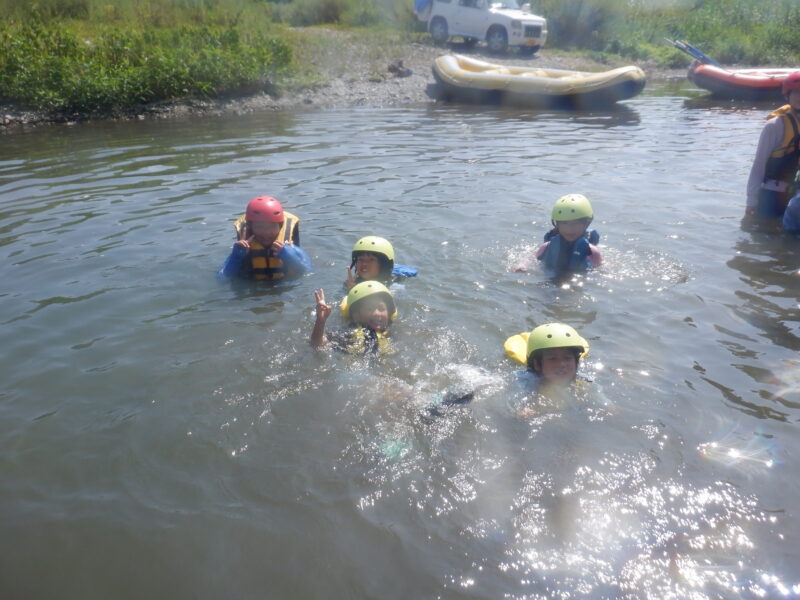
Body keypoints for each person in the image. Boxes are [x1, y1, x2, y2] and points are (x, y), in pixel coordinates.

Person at [217, 196, 311, 281]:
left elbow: (308, 271)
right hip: (253, 291)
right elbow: (222, 279)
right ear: (251, 228)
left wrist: (289, 255)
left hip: (284, 288)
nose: (266, 233)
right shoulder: (241, 248)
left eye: (271, 227)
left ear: (280, 226)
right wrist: (237, 256)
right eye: (260, 227)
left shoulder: (289, 246)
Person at [746, 72, 800, 219]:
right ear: (787, 95)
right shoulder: (774, 126)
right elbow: (758, 166)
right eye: (796, 92)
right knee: (765, 233)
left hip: (792, 190)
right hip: (771, 193)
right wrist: (751, 202)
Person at [514, 194, 602, 275]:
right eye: (564, 223)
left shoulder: (592, 252)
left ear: (586, 224)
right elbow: (531, 259)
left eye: (576, 223)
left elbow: (601, 270)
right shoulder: (546, 246)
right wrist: (522, 265)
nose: (569, 229)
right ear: (557, 225)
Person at [504, 322, 590, 400]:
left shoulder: (582, 379)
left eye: (567, 358)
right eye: (553, 359)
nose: (562, 364)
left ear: (576, 362)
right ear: (537, 364)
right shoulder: (527, 380)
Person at [311, 281, 396, 355]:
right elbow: (318, 345)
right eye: (370, 309)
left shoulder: (390, 331)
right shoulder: (348, 333)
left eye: (382, 309)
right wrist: (320, 321)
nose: (377, 313)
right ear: (356, 315)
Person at [341, 236, 417, 318]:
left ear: (383, 265)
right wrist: (350, 291)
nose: (364, 264)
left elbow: (399, 312)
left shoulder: (395, 288)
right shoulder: (351, 284)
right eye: (360, 259)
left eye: (371, 259)